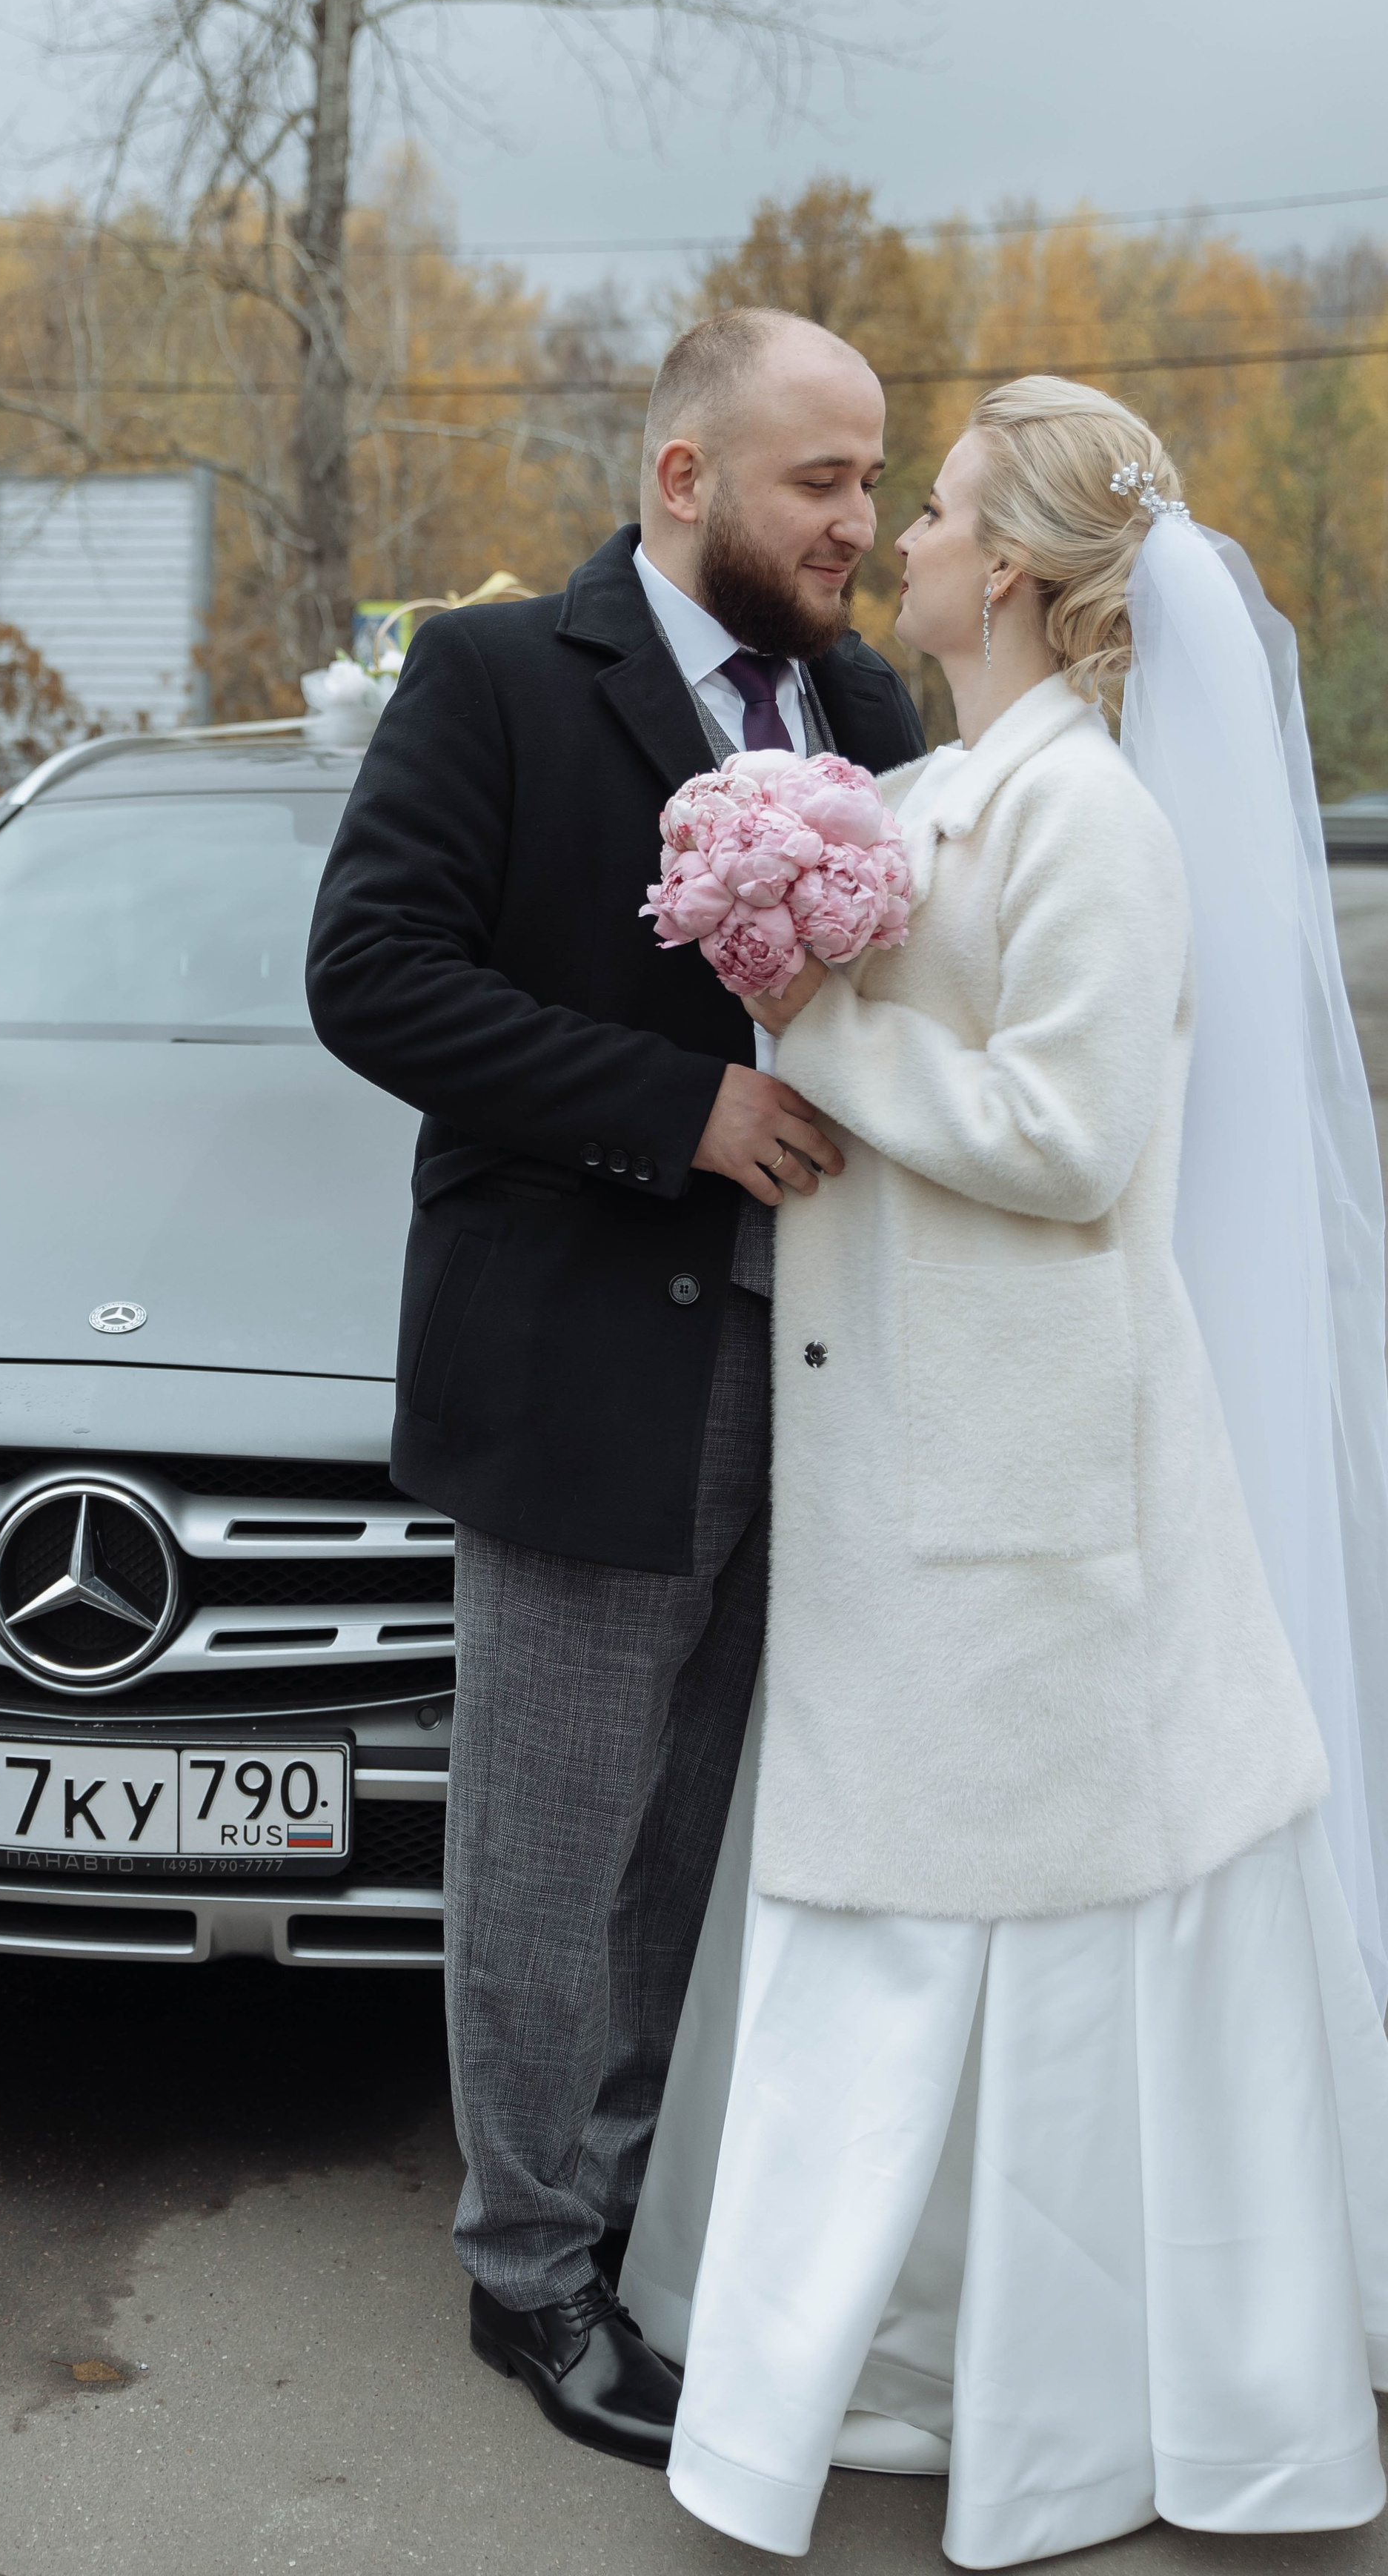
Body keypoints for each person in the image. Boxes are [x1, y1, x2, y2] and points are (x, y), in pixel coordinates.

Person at [621, 376, 1388, 2566]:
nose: (905, 546)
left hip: (1030, 1487)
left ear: (1020, 578)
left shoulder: (1100, 825)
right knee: (902, 1923)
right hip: (910, 1465)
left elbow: (1068, 1145)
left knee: (1007, 1937)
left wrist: (833, 1021)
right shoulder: (951, 785)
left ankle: (1042, 2396)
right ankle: (887, 2361)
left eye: (938, 512)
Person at [305, 311, 924, 2466]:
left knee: (702, 1836)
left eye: (871, 482)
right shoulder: (492, 681)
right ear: (683, 478)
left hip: (831, 1367)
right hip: (579, 1348)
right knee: (553, 1845)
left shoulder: (870, 707)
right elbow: (373, 976)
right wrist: (679, 1111)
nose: (856, 522)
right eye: (816, 483)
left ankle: (646, 2218)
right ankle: (530, 2271)